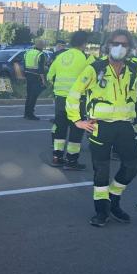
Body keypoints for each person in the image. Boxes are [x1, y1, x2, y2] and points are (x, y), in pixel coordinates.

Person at [67, 31, 137, 227]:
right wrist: (77, 121)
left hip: (124, 125)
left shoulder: (134, 68)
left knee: (133, 165)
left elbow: (134, 93)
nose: (119, 47)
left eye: (124, 44)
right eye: (116, 43)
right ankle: (102, 211)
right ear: (108, 45)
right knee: (101, 171)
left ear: (129, 47)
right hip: (100, 126)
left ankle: (113, 199)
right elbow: (74, 95)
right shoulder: (95, 68)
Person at [47, 31, 94, 170]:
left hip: (60, 98)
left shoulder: (60, 56)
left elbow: (50, 75)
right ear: (84, 43)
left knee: (60, 129)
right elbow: (93, 78)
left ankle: (57, 157)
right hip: (77, 99)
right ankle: (71, 161)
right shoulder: (87, 58)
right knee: (76, 129)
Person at [23, 40, 47, 120]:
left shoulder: (27, 52)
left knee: (29, 95)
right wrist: (43, 80)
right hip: (36, 77)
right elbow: (41, 69)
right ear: (41, 46)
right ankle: (30, 114)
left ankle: (26, 113)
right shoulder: (41, 54)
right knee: (33, 97)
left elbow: (24, 64)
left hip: (28, 76)